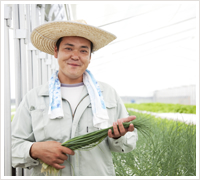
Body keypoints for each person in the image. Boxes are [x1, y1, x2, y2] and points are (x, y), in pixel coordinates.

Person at [11, 20, 138, 176]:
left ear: (90, 57)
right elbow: (11, 145)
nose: (75, 56)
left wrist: (119, 136)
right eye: (68, 48)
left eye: (83, 51)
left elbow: (129, 143)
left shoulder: (107, 94)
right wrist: (33, 150)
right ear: (56, 51)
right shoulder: (34, 98)